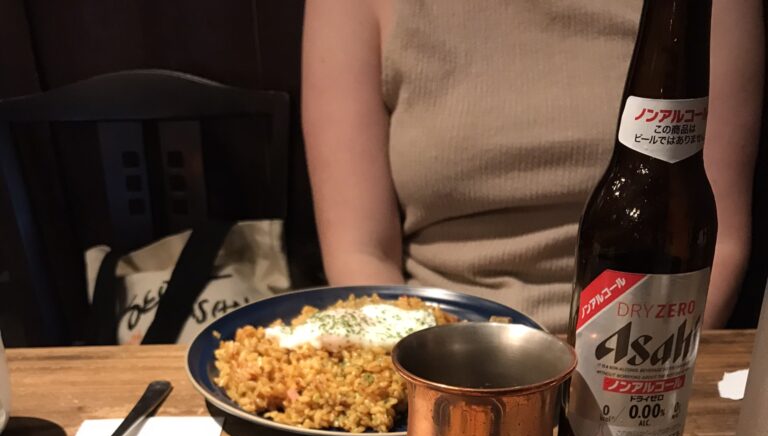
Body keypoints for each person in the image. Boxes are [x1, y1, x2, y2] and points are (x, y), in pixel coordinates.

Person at [302, 0, 764, 333]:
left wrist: (651, 378)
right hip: (435, 347)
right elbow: (360, 250)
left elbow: (715, 241)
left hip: (636, 352)